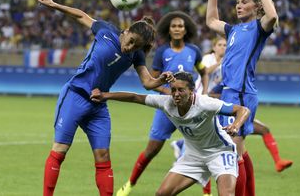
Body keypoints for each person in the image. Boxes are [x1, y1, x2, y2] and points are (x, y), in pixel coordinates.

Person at [37, 0, 174, 196]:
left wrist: (162, 79)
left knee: (103, 156)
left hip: (98, 103)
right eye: (131, 42)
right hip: (75, 95)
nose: (130, 48)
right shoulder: (106, 30)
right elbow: (80, 16)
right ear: (126, 31)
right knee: (60, 149)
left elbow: (147, 83)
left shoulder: (136, 55)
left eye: (136, 47)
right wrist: (53, 4)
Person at [90, 71, 250, 196]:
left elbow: (243, 110)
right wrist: (105, 95)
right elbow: (134, 97)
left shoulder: (205, 103)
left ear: (192, 91)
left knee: (226, 194)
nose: (176, 94)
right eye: (173, 90)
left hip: (220, 153)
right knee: (162, 193)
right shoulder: (167, 103)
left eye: (181, 90)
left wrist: (235, 125)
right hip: (193, 155)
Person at [116, 11, 209, 196]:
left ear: (185, 30)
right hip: (167, 109)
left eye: (180, 26)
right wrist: (168, 92)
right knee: (151, 150)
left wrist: (204, 92)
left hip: (190, 108)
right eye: (174, 26)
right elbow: (153, 80)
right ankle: (130, 184)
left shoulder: (194, 51)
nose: (177, 29)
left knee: (203, 149)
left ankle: (207, 193)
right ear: (169, 29)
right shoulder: (162, 52)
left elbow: (204, 72)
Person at [206, 0, 278, 196]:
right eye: (238, 1)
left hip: (242, 94)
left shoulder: (259, 28)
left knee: (233, 151)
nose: (239, 5)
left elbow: (273, 16)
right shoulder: (234, 30)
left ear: (257, 6)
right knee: (238, 151)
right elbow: (210, 21)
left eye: (245, 1)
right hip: (229, 91)